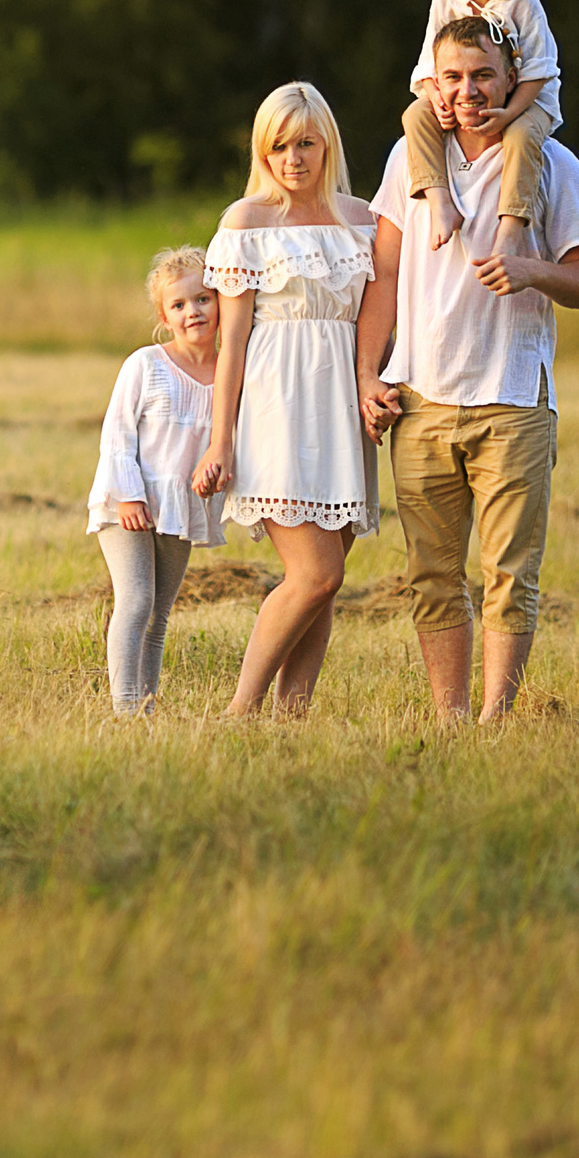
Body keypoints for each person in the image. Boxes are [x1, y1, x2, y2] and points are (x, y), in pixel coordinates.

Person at [362, 17, 579, 723]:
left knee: (509, 576)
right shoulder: (408, 159)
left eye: (482, 76)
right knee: (432, 576)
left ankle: (497, 722)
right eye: (453, 78)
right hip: (420, 397)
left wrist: (529, 267)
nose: (467, 92)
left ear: (511, 80)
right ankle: (451, 719)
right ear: (432, 85)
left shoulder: (555, 166)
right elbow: (382, 274)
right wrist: (367, 375)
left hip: (512, 398)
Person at [193, 82, 392, 716]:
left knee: (325, 583)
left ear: (326, 143)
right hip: (278, 409)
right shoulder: (247, 222)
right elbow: (231, 347)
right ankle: (240, 713)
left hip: (343, 411)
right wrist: (219, 441)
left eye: (305, 144)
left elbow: (381, 315)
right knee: (316, 574)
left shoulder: (363, 220)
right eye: (278, 146)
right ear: (263, 150)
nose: (293, 160)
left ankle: (292, 718)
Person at [87, 247, 228, 715]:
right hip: (128, 501)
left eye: (203, 299)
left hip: (178, 506)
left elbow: (226, 443)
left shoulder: (230, 374)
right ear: (164, 317)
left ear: (222, 300)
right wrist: (127, 496)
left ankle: (145, 706)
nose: (194, 312)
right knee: (137, 598)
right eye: (179, 305)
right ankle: (126, 710)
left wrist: (215, 479)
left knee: (159, 614)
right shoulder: (146, 365)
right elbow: (117, 436)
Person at [400, 0, 563, 260]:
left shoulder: (523, 1)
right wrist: (437, 97)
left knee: (520, 139)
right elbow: (429, 62)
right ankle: (441, 202)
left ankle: (510, 229)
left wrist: (509, 114)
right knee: (414, 116)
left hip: (527, 100)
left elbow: (541, 69)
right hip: (462, 94)